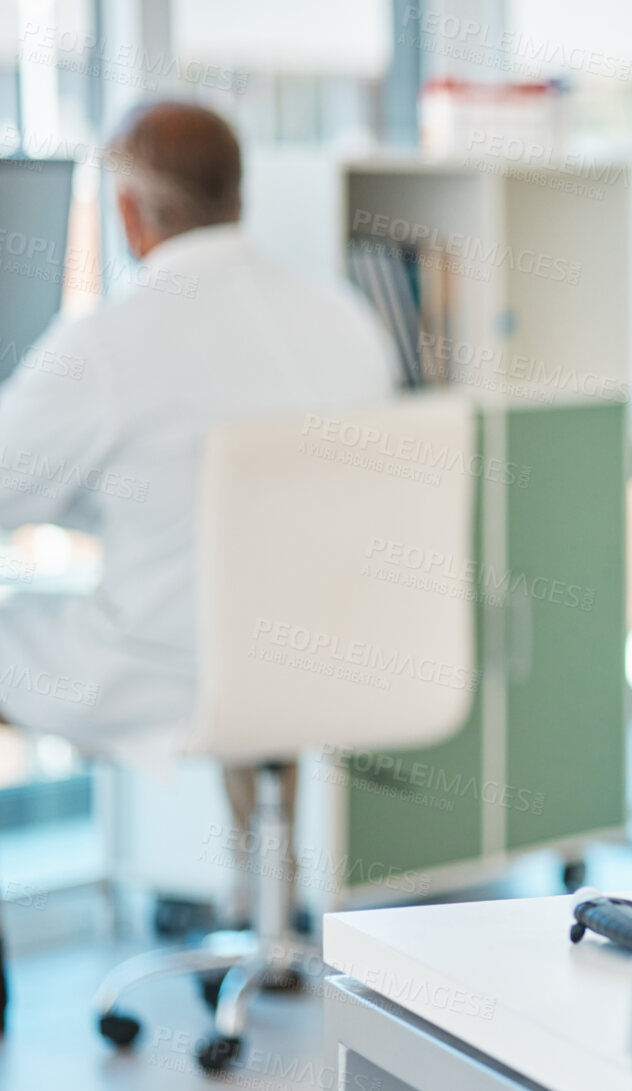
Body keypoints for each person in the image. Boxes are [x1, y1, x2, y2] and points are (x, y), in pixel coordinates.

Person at [0, 101, 395, 917]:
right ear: (238, 192)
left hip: (175, 669)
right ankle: (264, 902)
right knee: (243, 616)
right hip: (328, 653)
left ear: (129, 211)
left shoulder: (108, 343)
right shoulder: (346, 322)